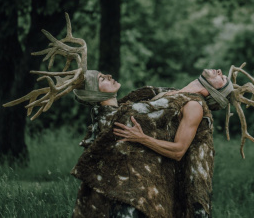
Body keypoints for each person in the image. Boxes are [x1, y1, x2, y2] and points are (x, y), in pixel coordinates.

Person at [71, 68, 233, 218]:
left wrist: (143, 138)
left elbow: (178, 151)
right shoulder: (168, 94)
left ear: (214, 92)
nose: (219, 71)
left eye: (222, 78)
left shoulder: (194, 105)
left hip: (145, 181)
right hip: (131, 174)